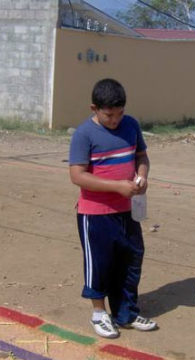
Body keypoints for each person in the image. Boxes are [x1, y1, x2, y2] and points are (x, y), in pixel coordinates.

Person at [69, 78, 157, 339]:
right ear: (94, 108)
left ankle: (126, 313)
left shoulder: (131, 126)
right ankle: (99, 313)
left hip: (128, 211)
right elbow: (77, 175)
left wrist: (142, 175)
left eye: (120, 114)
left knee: (131, 260)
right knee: (100, 264)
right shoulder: (83, 134)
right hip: (95, 214)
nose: (115, 120)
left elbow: (141, 156)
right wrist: (116, 187)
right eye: (109, 115)